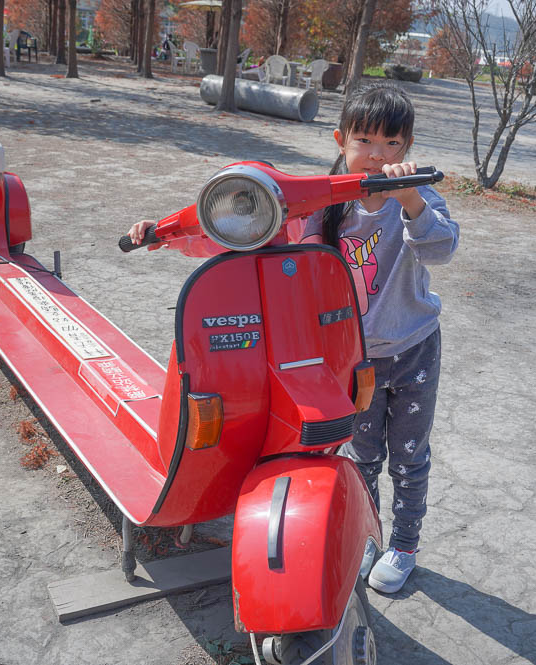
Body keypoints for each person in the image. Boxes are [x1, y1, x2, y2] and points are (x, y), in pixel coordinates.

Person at [127, 82, 458, 595]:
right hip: (350, 359)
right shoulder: (313, 202)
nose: (378, 156)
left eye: (393, 145)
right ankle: (367, 533)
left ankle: (405, 545)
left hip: (412, 348)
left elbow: (440, 249)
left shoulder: (418, 197)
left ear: (407, 149)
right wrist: (164, 233)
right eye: (366, 140)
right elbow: (236, 229)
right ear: (340, 138)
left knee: (410, 454)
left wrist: (411, 199)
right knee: (361, 452)